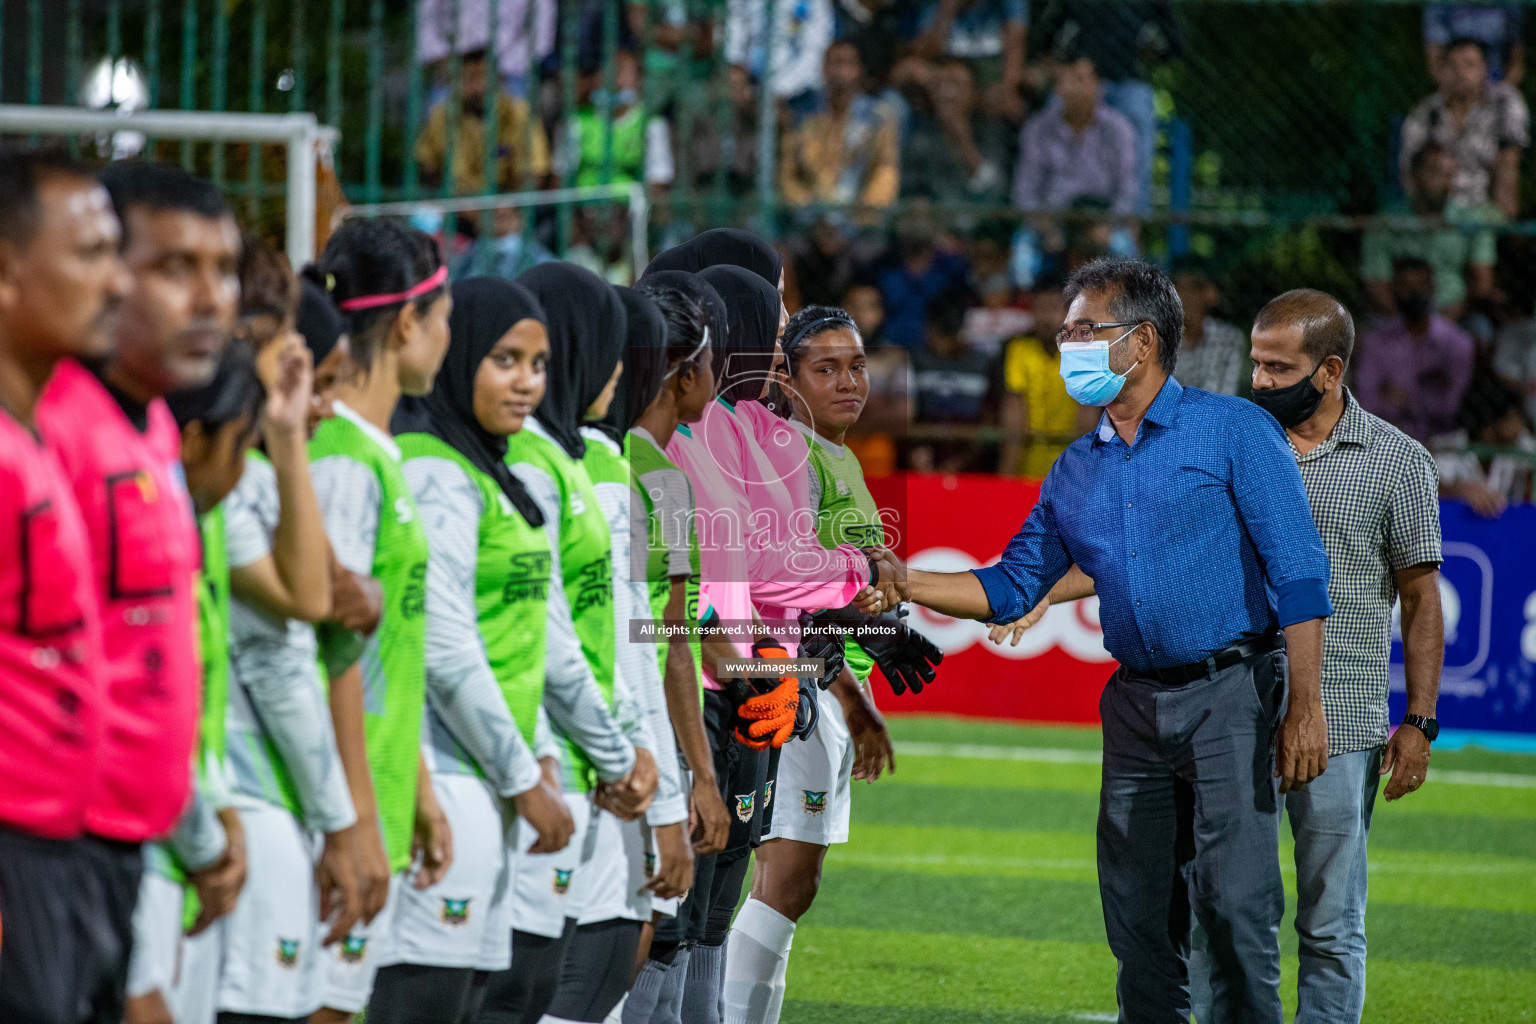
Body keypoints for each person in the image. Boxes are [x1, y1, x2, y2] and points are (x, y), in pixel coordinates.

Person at [900, 257, 1333, 1024]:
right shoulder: (1075, 468)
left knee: (1236, 909)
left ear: (1140, 342)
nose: (1064, 342)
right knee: (1136, 921)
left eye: (1081, 330)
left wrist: (1306, 708)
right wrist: (902, 582)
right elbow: (1009, 587)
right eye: (1065, 330)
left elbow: (1299, 575)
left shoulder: (1235, 429)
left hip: (1232, 694)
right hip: (1133, 706)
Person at [1185, 289, 1445, 1024]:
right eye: (1256, 364)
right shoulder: (1230, 445)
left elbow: (1422, 601)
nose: (1259, 380)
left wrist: (1420, 720)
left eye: (1277, 366)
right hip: (1233, 712)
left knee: (1330, 924)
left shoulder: (1399, 462)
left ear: (1329, 370)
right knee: (1225, 910)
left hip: (1344, 718)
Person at [392, 277, 642, 1024]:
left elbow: (553, 632)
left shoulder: (504, 472)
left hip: (513, 771)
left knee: (508, 996)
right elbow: (446, 646)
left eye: (536, 362)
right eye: (505, 360)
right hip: (445, 773)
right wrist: (526, 769)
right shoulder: (436, 470)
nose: (527, 381)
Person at [35, 160, 240, 1024]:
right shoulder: (50, 429)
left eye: (224, 270)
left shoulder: (154, 420)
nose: (209, 300)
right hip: (46, 851)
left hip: (128, 847)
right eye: (173, 268)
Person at [723, 305, 916, 1024]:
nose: (847, 381)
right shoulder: (793, 455)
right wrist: (847, 695)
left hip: (829, 686)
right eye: (824, 368)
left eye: (857, 365)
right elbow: (786, 587)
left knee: (791, 885)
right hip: (804, 684)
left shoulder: (836, 455)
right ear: (787, 378)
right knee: (783, 878)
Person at [484, 262, 654, 1024]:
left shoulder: (601, 465)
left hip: (588, 752)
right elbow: (667, 638)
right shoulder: (612, 474)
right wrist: (670, 783)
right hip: (556, 758)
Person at [307, 218, 455, 1023]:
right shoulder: (338, 460)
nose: (449, 336)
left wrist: (420, 794)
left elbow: (388, 650)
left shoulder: (376, 451)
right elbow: (330, 655)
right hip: (338, 814)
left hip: (384, 796)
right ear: (407, 322)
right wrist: (354, 822)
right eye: (445, 316)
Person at [209, 280, 369, 1024]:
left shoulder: (258, 477)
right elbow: (295, 631)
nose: (320, 402)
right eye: (303, 374)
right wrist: (344, 821)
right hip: (247, 803)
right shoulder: (235, 483)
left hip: (255, 804)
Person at [0, 148, 130, 1024]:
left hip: (67, 848)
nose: (117, 283)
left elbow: (647, 621)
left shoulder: (49, 437)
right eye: (90, 255)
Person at [1032, 0, 1181, 214]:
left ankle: (1130, 226)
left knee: (1138, 112)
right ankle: (1047, 216)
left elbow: (1175, 44)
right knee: (1051, 113)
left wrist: (1148, 51)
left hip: (1128, 80)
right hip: (1080, 79)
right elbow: (1045, 38)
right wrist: (1066, 74)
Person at [1012, 53, 1138, 249]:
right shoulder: (1037, 129)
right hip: (1051, 222)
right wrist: (1045, 227)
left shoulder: (1119, 129)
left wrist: (1108, 226)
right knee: (1023, 259)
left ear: (1098, 85)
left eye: (1081, 79)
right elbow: (1025, 192)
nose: (1074, 88)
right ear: (1057, 88)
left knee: (1124, 251)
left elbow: (1128, 191)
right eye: (1067, 80)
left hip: (1103, 221)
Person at [1362, 142, 1499, 320]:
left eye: (1449, 175)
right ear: (1414, 176)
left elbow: (1482, 285)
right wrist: (1409, 330)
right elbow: (1377, 285)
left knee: (1480, 330)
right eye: (1435, 172)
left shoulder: (1471, 223)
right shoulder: (1385, 223)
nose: (1444, 182)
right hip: (1397, 319)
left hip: (1457, 316)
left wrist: (1441, 326)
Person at [1400, 36, 1529, 219]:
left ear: (1485, 69)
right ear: (1443, 71)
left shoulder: (1503, 104)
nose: (1460, 73)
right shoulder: (1426, 112)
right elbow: (1408, 168)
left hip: (1481, 210)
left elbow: (1509, 166)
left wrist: (1506, 222)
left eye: (1469, 65)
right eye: (1453, 66)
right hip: (1433, 209)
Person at [1355, 257, 1476, 444]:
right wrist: (1426, 394)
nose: (1413, 294)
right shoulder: (1376, 341)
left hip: (1441, 442)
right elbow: (1367, 403)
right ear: (1394, 290)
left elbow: (1449, 408)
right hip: (1386, 440)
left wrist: (1403, 398)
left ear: (1432, 288)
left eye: (1420, 286)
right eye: (1405, 287)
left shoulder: (1457, 343)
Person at [779, 40, 900, 211]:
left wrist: (866, 212)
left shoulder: (878, 117)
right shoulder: (802, 116)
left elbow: (885, 170)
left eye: (849, 64)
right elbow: (788, 173)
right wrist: (806, 207)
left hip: (859, 217)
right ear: (823, 69)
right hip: (809, 217)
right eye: (835, 63)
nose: (841, 71)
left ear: (859, 70)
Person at [415, 47, 552, 196]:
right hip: (456, 207)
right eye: (469, 78)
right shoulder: (441, 116)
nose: (477, 88)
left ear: (499, 79)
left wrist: (506, 209)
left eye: (482, 77)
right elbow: (427, 169)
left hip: (507, 207)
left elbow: (534, 174)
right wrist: (469, 208)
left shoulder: (519, 113)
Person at [997, 275, 1079, 478]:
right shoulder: (1018, 349)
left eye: (1054, 308)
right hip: (1025, 469)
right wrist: (1006, 476)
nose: (1047, 318)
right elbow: (1014, 415)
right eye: (1041, 308)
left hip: (1069, 471)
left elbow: (1085, 421)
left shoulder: (1081, 352)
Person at [415, 0, 556, 105]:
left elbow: (542, 30)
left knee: (518, 125)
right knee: (437, 125)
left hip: (508, 71)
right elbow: (423, 19)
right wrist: (443, 59)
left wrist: (500, 69)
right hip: (454, 69)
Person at [1171, 259, 1249, 396]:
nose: (1185, 297)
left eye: (1194, 288)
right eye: (1179, 288)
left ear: (1211, 293)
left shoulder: (1229, 339)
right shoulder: (1160, 341)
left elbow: (1225, 397)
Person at [1424, 2, 1525, 85]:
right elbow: (1435, 58)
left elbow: (1517, 61)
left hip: (1497, 85)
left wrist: (1500, 93)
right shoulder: (1439, 5)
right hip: (1454, 88)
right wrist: (1452, 91)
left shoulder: (1510, 4)